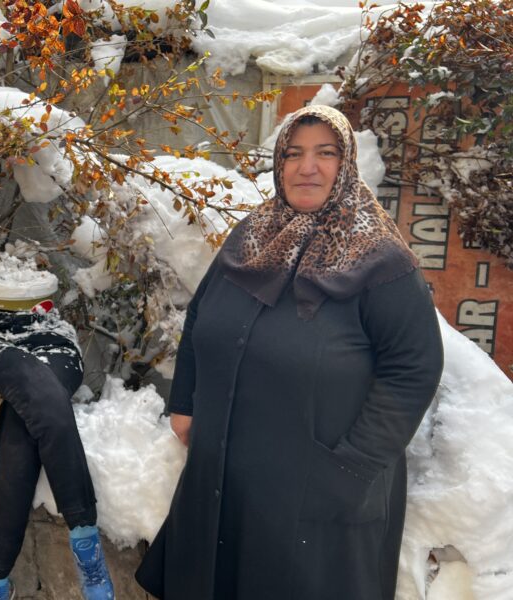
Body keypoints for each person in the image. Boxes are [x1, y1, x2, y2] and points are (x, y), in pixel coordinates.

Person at [135, 105, 444, 600]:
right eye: (294, 154)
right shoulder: (254, 235)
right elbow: (201, 317)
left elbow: (414, 367)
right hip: (226, 476)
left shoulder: (381, 259)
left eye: (326, 153)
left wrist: (351, 467)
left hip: (317, 485)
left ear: (347, 165)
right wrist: (185, 403)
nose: (307, 167)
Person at [0, 261, 115, 600]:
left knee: (22, 420)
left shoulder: (58, 333)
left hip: (51, 340)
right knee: (36, 393)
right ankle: (84, 537)